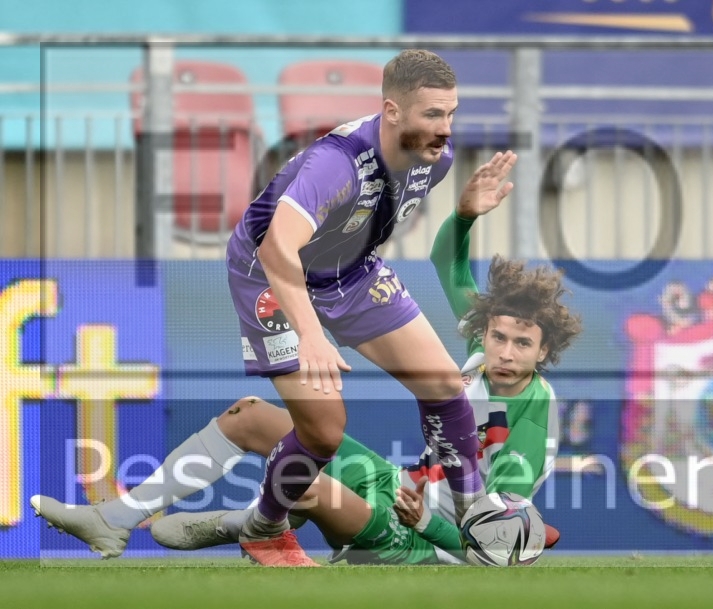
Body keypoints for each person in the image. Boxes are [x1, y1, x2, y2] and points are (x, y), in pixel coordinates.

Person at [31, 49, 520, 565]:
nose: (446, 129)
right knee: (324, 430)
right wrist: (311, 334)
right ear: (392, 111)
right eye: (433, 115)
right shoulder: (336, 164)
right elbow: (276, 249)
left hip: (347, 272)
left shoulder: (434, 161)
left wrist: (465, 214)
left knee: (442, 385)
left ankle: (473, 515)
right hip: (267, 273)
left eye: (451, 113)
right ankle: (177, 521)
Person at [31, 185, 581, 565]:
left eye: (523, 344)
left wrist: (425, 525)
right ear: (485, 332)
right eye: (499, 336)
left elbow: (491, 542)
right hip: (394, 484)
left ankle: (239, 524)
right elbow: (447, 260)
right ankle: (116, 517)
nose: (505, 351)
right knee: (252, 419)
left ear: (545, 350)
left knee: (306, 483)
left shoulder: (532, 419)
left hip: (416, 536)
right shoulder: (479, 353)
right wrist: (464, 215)